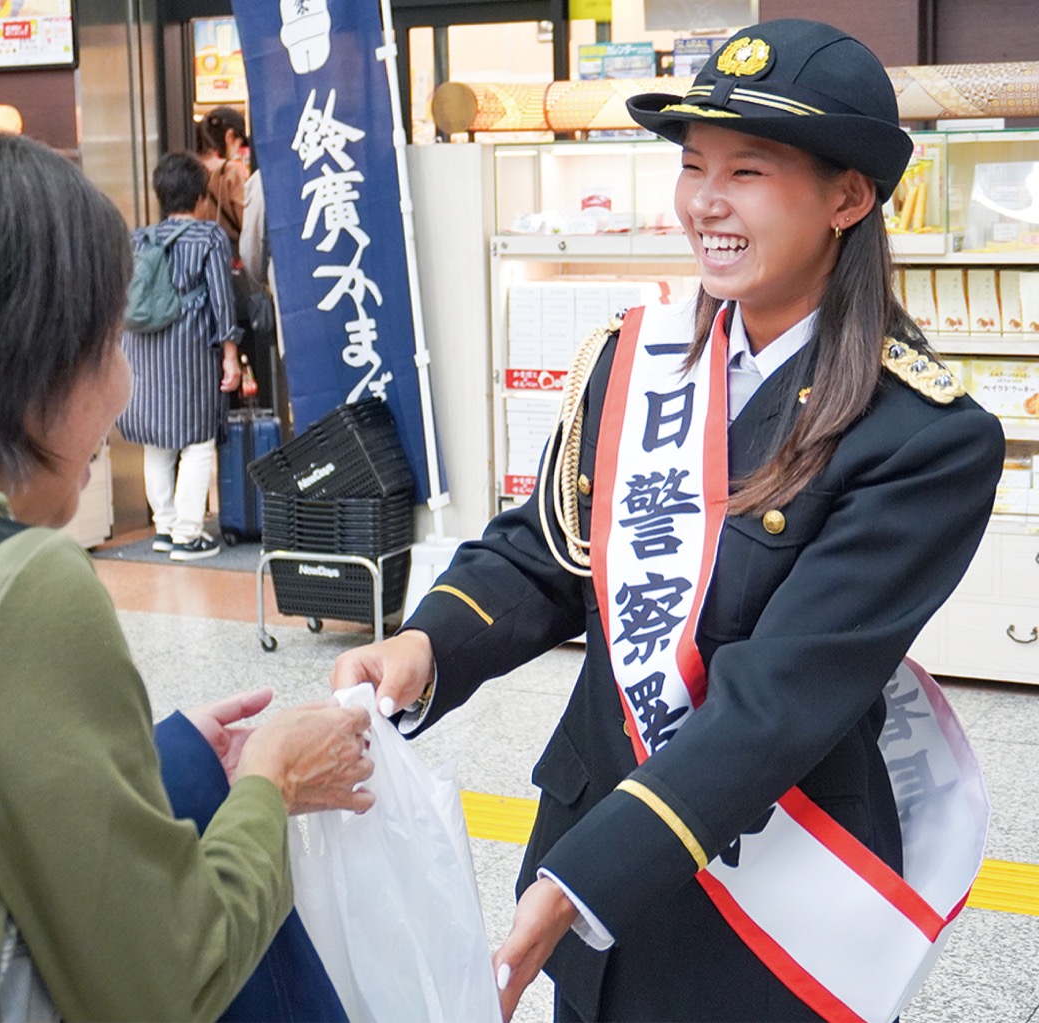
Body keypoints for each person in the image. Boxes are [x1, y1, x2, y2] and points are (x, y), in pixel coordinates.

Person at [332, 19, 1005, 1023]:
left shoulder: (920, 438)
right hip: (592, 831)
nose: (707, 204)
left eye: (749, 170)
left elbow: (779, 702)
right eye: (693, 168)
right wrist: (429, 643)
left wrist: (579, 883)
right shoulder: (638, 364)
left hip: (766, 887)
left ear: (849, 197)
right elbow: (551, 550)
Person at [0, 123, 373, 1021]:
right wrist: (269, 787)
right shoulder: (11, 585)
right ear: (16, 355)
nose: (124, 386)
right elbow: (168, 979)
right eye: (104, 341)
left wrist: (158, 759)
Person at [117, 151, 239, 561]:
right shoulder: (209, 238)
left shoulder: (138, 239)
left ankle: (165, 527)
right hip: (189, 348)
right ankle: (189, 534)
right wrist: (231, 355)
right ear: (201, 198)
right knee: (199, 441)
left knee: (158, 441)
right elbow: (222, 300)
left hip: (142, 352)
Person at [197, 105, 250, 260]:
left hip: (197, 257)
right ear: (229, 136)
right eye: (239, 144)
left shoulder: (189, 167)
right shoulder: (232, 171)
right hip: (228, 258)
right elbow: (247, 224)